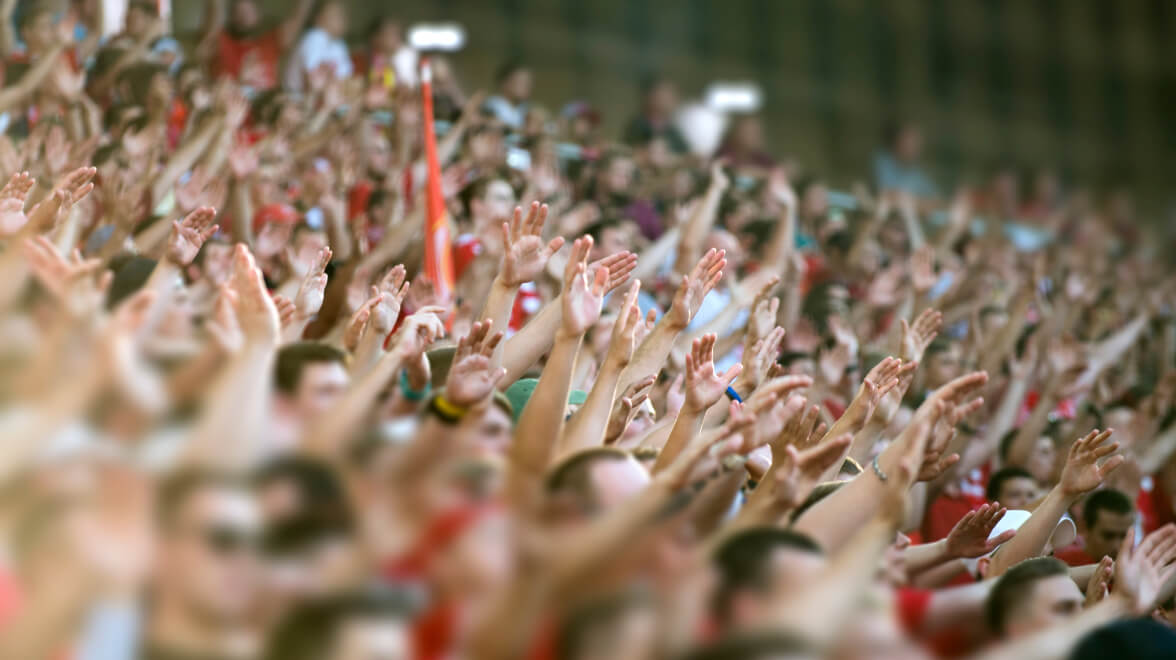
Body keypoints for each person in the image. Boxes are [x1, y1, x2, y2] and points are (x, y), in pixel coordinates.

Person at [1055, 489, 1136, 566]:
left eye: (1124, 536)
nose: (1117, 546)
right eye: (1108, 536)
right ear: (1085, 528)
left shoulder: (1140, 566)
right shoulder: (1061, 566)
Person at [482, 60, 531, 129]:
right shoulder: (493, 105)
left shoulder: (524, 109)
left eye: (528, 84)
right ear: (505, 83)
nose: (526, 87)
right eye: (521, 82)